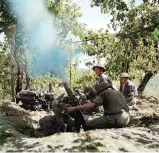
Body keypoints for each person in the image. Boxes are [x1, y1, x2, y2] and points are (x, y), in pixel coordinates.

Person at [66, 82, 130, 130]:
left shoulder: (104, 92)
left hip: (115, 119)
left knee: (87, 124)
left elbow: (91, 105)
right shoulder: (119, 93)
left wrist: (74, 108)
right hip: (126, 118)